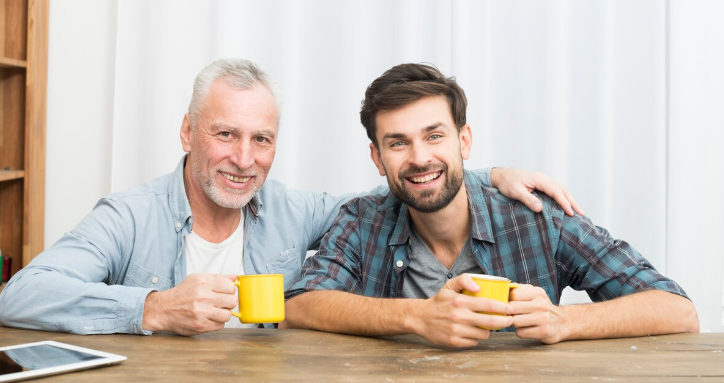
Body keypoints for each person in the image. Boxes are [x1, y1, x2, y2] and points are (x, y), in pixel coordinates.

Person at [0, 59, 581, 336]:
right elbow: (23, 296)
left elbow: (408, 183)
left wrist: (492, 172)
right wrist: (151, 308)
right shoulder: (128, 215)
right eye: (225, 134)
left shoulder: (296, 210)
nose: (244, 159)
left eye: (262, 140)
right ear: (187, 133)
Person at [283, 63, 699, 347]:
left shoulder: (536, 217)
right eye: (398, 143)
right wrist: (417, 317)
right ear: (377, 159)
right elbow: (299, 306)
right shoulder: (362, 221)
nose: (419, 158)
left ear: (464, 141)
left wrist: (565, 321)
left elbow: (677, 311)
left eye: (434, 136)